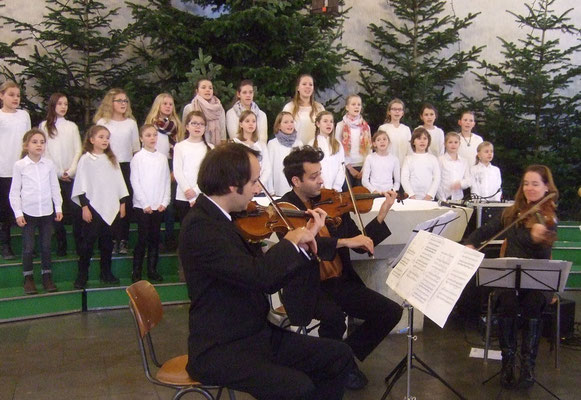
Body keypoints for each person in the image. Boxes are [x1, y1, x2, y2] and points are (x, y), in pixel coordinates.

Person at [179, 142, 353, 400]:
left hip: (252, 334)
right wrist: (289, 243)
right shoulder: (201, 227)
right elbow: (259, 277)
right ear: (231, 185)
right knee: (297, 388)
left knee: (339, 356)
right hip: (222, 347)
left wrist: (303, 243)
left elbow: (263, 272)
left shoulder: (221, 218)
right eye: (253, 181)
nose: (258, 188)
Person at [279, 146, 403, 390]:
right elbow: (307, 244)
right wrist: (344, 241)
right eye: (313, 176)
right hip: (307, 287)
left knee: (390, 312)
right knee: (335, 317)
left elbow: (361, 244)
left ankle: (342, 357)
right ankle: (336, 365)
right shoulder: (285, 209)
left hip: (338, 281)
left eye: (320, 173)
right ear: (296, 180)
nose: (321, 180)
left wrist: (381, 214)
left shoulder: (331, 202)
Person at [465, 165, 558, 389]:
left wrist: (539, 238)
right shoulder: (513, 212)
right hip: (510, 279)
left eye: (535, 184)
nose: (529, 188)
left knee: (534, 301)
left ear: (546, 187)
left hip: (536, 280)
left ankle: (527, 366)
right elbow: (486, 229)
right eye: (526, 183)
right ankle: (507, 364)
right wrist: (471, 243)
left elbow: (545, 253)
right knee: (506, 299)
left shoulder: (549, 217)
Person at [71, 125, 129, 289]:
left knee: (107, 243)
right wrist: (84, 206)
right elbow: (81, 184)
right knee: (87, 244)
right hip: (92, 208)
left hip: (110, 206)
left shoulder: (112, 159)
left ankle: (106, 273)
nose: (105, 140)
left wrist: (122, 203)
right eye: (101, 137)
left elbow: (119, 182)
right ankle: (82, 275)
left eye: (107, 137)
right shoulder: (86, 159)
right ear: (91, 140)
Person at [9, 129, 62, 294]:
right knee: (28, 247)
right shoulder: (20, 166)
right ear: (26, 146)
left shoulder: (49, 165)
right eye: (35, 142)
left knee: (46, 246)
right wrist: (18, 213)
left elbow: (55, 187)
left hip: (46, 212)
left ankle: (47, 276)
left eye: (42, 142)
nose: (39, 145)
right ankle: (28, 278)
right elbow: (14, 191)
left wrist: (58, 207)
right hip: (28, 213)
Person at [94, 88, 139, 255]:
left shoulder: (131, 123)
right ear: (110, 103)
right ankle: (110, 240)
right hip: (107, 166)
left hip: (126, 166)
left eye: (125, 101)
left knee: (124, 205)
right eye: (119, 101)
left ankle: (123, 240)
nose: (123, 104)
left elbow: (136, 149)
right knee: (109, 204)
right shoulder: (102, 123)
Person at [40, 93, 83, 256]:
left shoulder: (72, 126)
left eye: (65, 104)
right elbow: (45, 151)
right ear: (53, 106)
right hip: (53, 176)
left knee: (76, 210)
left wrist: (70, 171)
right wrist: (58, 172)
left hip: (71, 176)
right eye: (59, 104)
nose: (63, 107)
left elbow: (78, 150)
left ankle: (80, 244)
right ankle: (61, 243)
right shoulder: (44, 126)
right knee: (56, 212)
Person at [144, 93, 185, 252]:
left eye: (170, 104)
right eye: (165, 104)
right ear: (158, 106)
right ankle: (153, 239)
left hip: (172, 164)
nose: (168, 106)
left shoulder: (177, 125)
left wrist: (175, 169)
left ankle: (169, 240)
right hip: (155, 166)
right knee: (155, 202)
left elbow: (179, 149)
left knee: (169, 206)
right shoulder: (152, 125)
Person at [130, 124, 171, 283]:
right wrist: (145, 203)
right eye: (148, 135)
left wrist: (165, 201)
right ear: (141, 138)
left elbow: (166, 181)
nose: (152, 138)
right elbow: (135, 181)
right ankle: (137, 271)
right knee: (142, 239)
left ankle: (152, 270)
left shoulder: (161, 158)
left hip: (158, 205)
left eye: (154, 135)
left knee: (155, 239)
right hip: (143, 207)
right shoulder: (138, 158)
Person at [0, 81, 31, 260]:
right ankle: (6, 244)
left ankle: (28, 245)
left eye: (18, 95)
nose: (15, 98)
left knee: (24, 207)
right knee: (5, 209)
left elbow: (28, 140)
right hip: (3, 169)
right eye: (11, 94)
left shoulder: (24, 115)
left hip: (22, 169)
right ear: (2, 95)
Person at [335, 95, 371, 187]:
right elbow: (338, 149)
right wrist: (350, 168)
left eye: (359, 104)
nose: (356, 107)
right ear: (347, 107)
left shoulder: (366, 127)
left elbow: (369, 149)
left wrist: (364, 169)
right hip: (346, 167)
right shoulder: (340, 126)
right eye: (353, 104)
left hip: (363, 166)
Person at [232, 110, 271, 192]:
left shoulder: (261, 145)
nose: (251, 124)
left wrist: (259, 184)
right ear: (241, 124)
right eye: (247, 121)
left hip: (259, 188)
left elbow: (267, 168)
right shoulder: (234, 144)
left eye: (253, 121)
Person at [267, 111, 303, 196]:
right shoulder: (272, 144)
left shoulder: (299, 143)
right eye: (286, 122)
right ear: (279, 126)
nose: (290, 125)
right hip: (278, 189)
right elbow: (269, 168)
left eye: (291, 122)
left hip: (295, 190)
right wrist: (271, 190)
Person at [283, 74, 325, 145]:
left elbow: (324, 129)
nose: (308, 86)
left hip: (315, 149)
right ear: (298, 88)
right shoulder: (289, 107)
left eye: (310, 84)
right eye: (304, 84)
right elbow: (283, 129)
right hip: (295, 149)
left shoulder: (319, 108)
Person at [182, 78, 226, 146]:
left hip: (215, 148)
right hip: (194, 145)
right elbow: (184, 131)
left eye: (210, 88)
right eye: (203, 87)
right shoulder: (190, 108)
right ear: (197, 91)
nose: (207, 90)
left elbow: (223, 133)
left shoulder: (219, 108)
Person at [401, 127, 440, 200]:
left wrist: (430, 195)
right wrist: (411, 194)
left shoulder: (433, 159)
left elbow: (437, 178)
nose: (422, 141)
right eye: (419, 139)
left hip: (428, 198)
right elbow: (404, 179)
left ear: (428, 141)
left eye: (425, 138)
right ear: (413, 142)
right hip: (412, 198)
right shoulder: (408, 159)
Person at [310, 111, 345, 191]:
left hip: (335, 190)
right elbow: (311, 168)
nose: (329, 124)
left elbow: (341, 167)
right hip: (318, 188)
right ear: (318, 124)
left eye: (331, 121)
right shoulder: (312, 144)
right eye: (325, 121)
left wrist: (337, 186)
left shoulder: (337, 144)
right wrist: (320, 184)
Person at [437, 132, 471, 201]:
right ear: (445, 144)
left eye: (456, 142)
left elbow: (469, 180)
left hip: (459, 198)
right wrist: (442, 199)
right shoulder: (440, 160)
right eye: (450, 142)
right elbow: (437, 181)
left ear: (459, 144)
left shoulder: (464, 162)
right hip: (443, 197)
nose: (453, 145)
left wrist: (460, 184)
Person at [378, 98, 411, 168]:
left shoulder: (406, 129)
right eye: (394, 109)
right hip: (387, 167)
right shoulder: (383, 128)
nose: (397, 111)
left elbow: (409, 150)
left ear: (402, 113)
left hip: (403, 166)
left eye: (399, 109)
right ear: (389, 112)